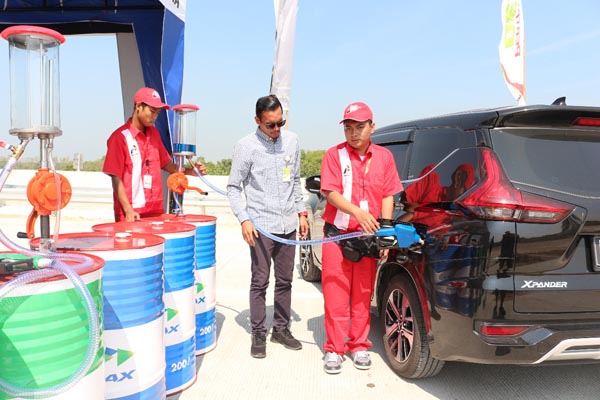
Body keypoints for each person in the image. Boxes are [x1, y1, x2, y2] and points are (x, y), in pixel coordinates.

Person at [319, 101, 403, 374]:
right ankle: (334, 349)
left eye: (360, 127)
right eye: (348, 128)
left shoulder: (384, 157)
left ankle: (358, 345)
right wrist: (356, 211)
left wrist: (386, 231)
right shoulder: (334, 155)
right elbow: (330, 192)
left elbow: (388, 193)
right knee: (336, 295)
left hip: (368, 239)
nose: (354, 133)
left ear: (372, 126)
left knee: (362, 294)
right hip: (338, 237)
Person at [226, 94, 309, 359]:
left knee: (285, 280)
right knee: (260, 281)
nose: (276, 130)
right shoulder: (245, 147)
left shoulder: (292, 142)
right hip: (260, 226)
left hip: (288, 225)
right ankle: (259, 331)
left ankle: (281, 329)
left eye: (280, 123)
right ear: (257, 121)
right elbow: (232, 187)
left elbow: (295, 180)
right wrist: (244, 219)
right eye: (270, 125)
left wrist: (302, 213)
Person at [102, 87, 206, 222]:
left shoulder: (154, 134)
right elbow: (116, 178)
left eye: (157, 113)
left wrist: (191, 171)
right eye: (152, 112)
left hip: (156, 211)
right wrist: (128, 210)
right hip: (132, 213)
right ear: (138, 106)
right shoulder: (119, 138)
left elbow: (167, 164)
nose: (154, 117)